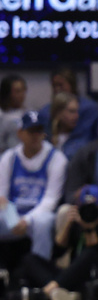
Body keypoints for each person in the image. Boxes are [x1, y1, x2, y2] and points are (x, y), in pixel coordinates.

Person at [0, 111, 68, 261]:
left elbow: (51, 200)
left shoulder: (57, 159)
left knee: (43, 223)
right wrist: (14, 220)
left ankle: (38, 272)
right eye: (31, 131)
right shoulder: (9, 158)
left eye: (39, 131)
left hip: (40, 213)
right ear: (20, 133)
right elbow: (2, 197)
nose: (35, 135)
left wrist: (27, 220)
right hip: (12, 213)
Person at [0, 74, 26, 152]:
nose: (22, 94)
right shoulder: (1, 115)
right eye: (18, 91)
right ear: (7, 93)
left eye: (23, 90)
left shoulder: (29, 114)